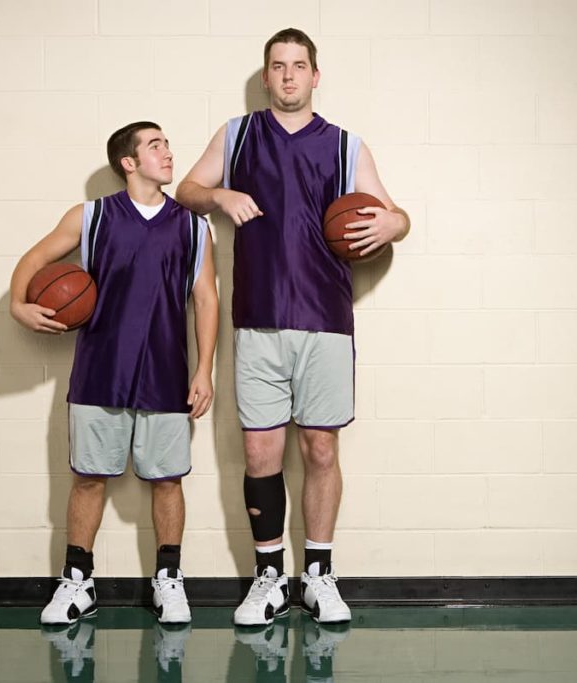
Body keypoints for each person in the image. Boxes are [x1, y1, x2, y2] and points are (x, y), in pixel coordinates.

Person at [176, 28, 410, 626]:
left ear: (315, 76)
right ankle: (269, 579)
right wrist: (219, 195)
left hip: (326, 319)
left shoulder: (345, 146)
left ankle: (320, 576)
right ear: (265, 76)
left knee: (321, 448)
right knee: (261, 454)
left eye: (298, 66)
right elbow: (185, 191)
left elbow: (396, 212)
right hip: (256, 319)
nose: (287, 76)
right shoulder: (237, 134)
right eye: (277, 66)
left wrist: (395, 225)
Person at [10, 121, 218, 627]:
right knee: (88, 480)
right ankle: (78, 582)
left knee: (167, 482)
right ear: (129, 162)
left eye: (166, 143)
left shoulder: (192, 226)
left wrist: (204, 369)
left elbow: (207, 297)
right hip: (100, 370)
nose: (168, 152)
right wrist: (19, 306)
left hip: (166, 372)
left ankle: (168, 581)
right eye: (155, 146)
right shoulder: (92, 216)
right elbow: (35, 258)